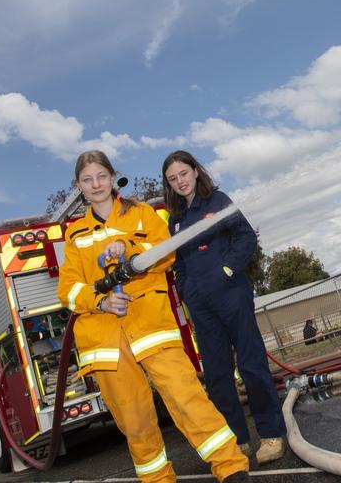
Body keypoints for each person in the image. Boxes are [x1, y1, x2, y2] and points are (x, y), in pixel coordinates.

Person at [57, 150, 250, 483]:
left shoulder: (142, 213)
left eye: (101, 176)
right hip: (106, 341)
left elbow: (167, 254)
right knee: (134, 420)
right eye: (87, 180)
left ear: (112, 176)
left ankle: (231, 467)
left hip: (150, 327)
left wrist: (128, 247)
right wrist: (100, 302)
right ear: (79, 186)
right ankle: (157, 479)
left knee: (186, 397)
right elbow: (69, 289)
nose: (96, 184)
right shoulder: (74, 234)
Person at [162, 150, 287, 464]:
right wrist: (185, 292)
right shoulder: (175, 220)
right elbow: (179, 264)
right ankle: (238, 440)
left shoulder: (217, 201)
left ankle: (271, 436)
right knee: (217, 376)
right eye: (172, 178)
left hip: (231, 294)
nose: (180, 181)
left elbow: (244, 237)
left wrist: (227, 270)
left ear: (195, 171)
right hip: (201, 306)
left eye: (183, 173)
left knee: (250, 364)